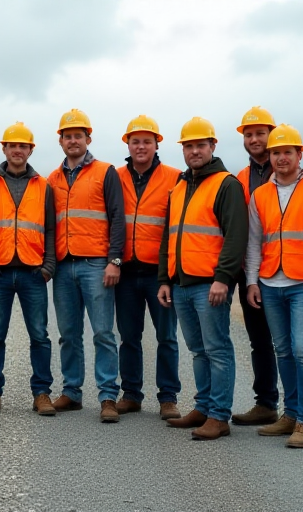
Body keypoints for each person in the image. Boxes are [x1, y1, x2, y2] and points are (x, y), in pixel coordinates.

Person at [158, 117, 247, 440]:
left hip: (210, 285)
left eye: (200, 145)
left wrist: (223, 279)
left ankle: (219, 416)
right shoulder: (180, 186)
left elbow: (236, 237)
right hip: (180, 284)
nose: (194, 151)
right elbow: (169, 236)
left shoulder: (227, 184)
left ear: (212, 147)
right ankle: (204, 406)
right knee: (198, 350)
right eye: (189, 146)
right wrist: (164, 279)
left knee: (217, 349)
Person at [244, 125, 303, 448]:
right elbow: (254, 242)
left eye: (287, 152)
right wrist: (252, 281)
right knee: (283, 351)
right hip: (269, 282)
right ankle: (290, 415)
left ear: (299, 155)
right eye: (276, 153)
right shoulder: (260, 194)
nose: (281, 158)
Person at [47, 109, 126, 423]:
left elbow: (118, 218)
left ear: (88, 138)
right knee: (68, 334)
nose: (73, 140)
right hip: (64, 266)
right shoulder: (51, 179)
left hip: (96, 265)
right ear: (61, 141)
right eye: (67, 136)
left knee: (104, 333)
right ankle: (71, 392)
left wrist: (114, 261)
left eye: (78, 135)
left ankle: (108, 396)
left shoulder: (106, 172)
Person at [0, 122, 57, 416]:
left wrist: (48, 266)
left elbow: (50, 227)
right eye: (12, 145)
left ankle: (42, 394)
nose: (17, 150)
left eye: (23, 146)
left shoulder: (43, 185)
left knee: (39, 335)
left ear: (30, 150)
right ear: (4, 149)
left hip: (33, 272)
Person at [113, 115, 182, 421]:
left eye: (147, 141)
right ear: (127, 144)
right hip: (126, 271)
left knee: (166, 336)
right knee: (129, 337)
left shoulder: (175, 177)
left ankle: (168, 398)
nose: (141, 146)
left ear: (157, 145)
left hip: (160, 274)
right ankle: (131, 394)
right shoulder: (114, 177)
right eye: (135, 141)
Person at [231, 106, 281, 426]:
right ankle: (266, 403)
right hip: (248, 270)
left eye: (260, 133)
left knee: (290, 342)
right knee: (259, 339)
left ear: (271, 135)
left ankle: (300, 411)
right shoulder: (240, 178)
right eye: (249, 134)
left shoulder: (287, 172)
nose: (254, 139)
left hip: (284, 268)